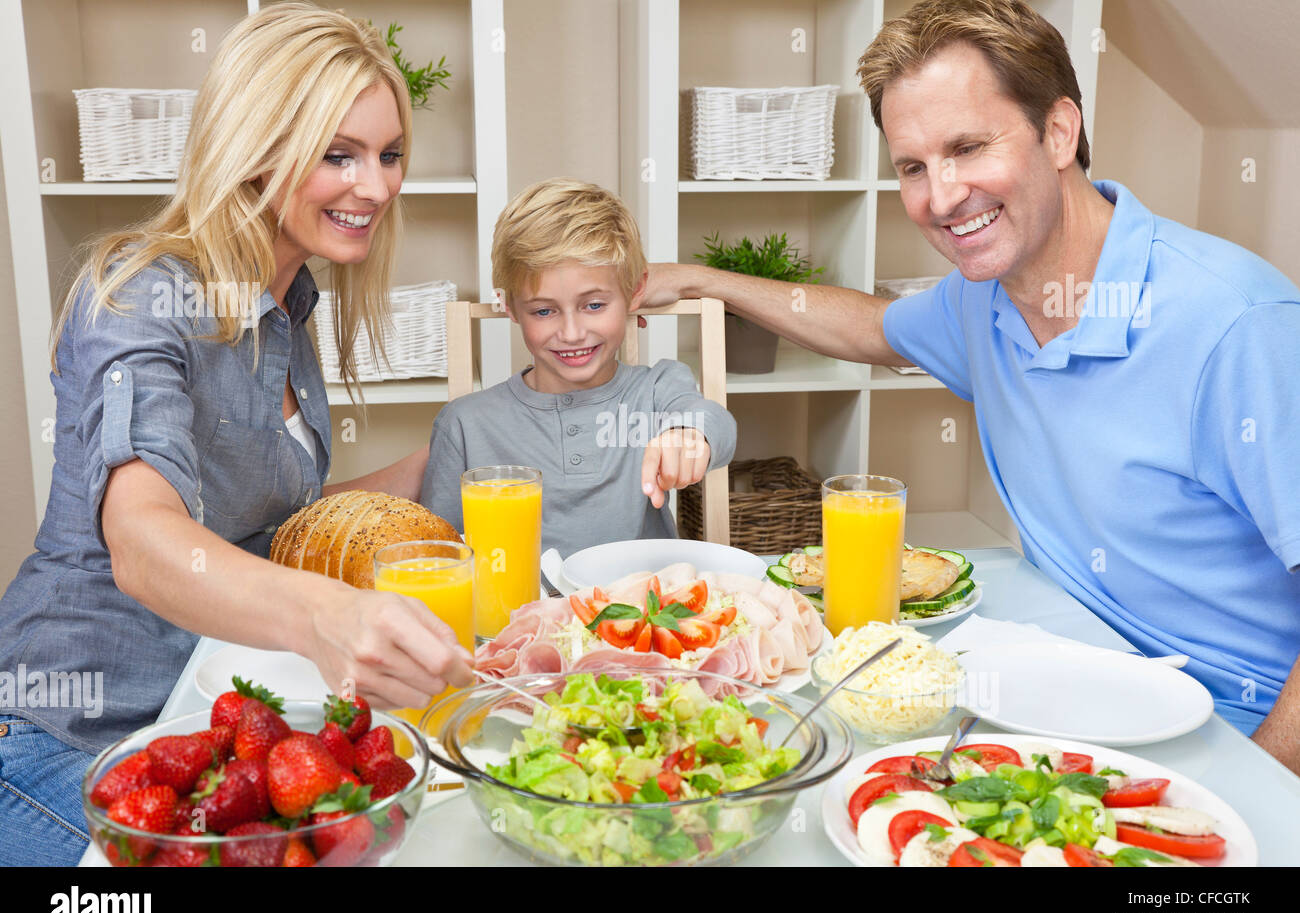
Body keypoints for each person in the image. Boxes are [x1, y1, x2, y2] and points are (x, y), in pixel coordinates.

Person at [638, 0, 1300, 771]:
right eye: (913, 167)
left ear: (1059, 132)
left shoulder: (1238, 325)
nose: (942, 198)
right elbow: (872, 329)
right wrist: (700, 279)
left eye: (967, 148)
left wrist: (1262, 795)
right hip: (1070, 686)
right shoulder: (984, 296)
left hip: (1233, 730)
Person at [0, 3, 473, 866]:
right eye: (339, 154)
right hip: (64, 745)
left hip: (204, 728)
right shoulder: (141, 291)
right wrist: (329, 614)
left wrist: (448, 453)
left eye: (389, 153)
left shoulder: (290, 305)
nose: (376, 186)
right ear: (255, 148)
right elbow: (145, 539)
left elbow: (260, 518)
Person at [420, 178, 736, 557]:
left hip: (642, 610)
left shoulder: (657, 390)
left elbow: (713, 422)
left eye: (594, 306)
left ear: (635, 291)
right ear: (509, 307)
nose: (572, 333)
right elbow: (439, 554)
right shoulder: (465, 424)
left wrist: (687, 434)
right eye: (544, 311)